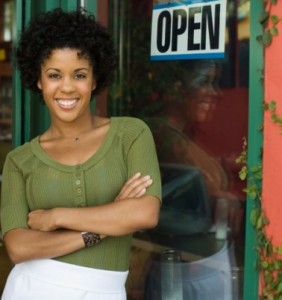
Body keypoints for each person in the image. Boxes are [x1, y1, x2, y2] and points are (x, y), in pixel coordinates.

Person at [0, 8, 161, 300]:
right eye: (53, 75)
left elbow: (144, 212)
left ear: (95, 79)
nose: (66, 87)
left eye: (79, 74)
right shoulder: (19, 160)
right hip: (31, 289)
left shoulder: (131, 134)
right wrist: (101, 227)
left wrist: (55, 217)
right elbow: (19, 247)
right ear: (38, 80)